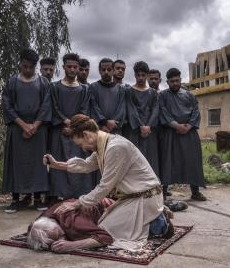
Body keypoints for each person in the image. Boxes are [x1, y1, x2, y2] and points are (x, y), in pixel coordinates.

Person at [43, 114, 171, 251]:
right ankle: (152, 220)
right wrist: (57, 165)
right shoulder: (104, 144)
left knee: (106, 230)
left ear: (86, 135)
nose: (82, 148)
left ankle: (158, 223)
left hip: (145, 198)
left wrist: (77, 203)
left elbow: (105, 186)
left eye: (80, 144)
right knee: (102, 223)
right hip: (133, 197)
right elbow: (87, 165)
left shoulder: (115, 147)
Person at [2, 48, 51, 213]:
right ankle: (16, 199)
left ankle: (37, 198)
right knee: (17, 162)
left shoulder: (43, 82)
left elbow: (46, 105)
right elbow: (7, 105)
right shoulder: (12, 82)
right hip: (17, 128)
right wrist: (23, 125)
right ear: (20, 64)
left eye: (31, 67)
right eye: (25, 66)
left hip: (38, 129)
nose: (28, 70)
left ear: (35, 66)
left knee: (38, 163)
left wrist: (35, 125)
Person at [49, 53, 97, 201]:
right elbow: (54, 107)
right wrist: (65, 121)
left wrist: (74, 125)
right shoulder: (55, 87)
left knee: (79, 161)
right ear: (63, 67)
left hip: (78, 132)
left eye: (75, 67)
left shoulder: (84, 89)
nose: (72, 69)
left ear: (78, 68)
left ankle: (80, 195)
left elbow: (84, 109)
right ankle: (58, 195)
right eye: (69, 66)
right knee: (60, 162)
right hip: (60, 131)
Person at [159, 68, 206, 201]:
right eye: (172, 81)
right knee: (168, 162)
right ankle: (163, 192)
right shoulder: (162, 96)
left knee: (193, 161)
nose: (175, 83)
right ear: (167, 82)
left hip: (189, 133)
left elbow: (196, 112)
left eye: (177, 80)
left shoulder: (190, 95)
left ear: (180, 80)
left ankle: (195, 192)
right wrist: (176, 126)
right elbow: (163, 113)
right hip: (171, 133)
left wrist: (189, 126)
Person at [27, 198, 115, 252]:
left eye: (60, 235)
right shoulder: (39, 222)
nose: (61, 240)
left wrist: (73, 245)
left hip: (110, 208)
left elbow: (107, 238)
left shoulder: (75, 223)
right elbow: (32, 231)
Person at [123, 61, 159, 176]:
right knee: (134, 159)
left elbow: (155, 110)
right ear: (134, 75)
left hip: (150, 132)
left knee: (151, 160)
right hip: (134, 131)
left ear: (147, 76)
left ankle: (151, 189)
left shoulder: (153, 93)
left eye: (143, 75)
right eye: (138, 75)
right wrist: (140, 126)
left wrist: (148, 126)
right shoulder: (129, 91)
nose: (140, 78)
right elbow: (130, 109)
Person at [88, 58, 126, 135]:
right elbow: (93, 108)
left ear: (113, 70)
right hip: (98, 129)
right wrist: (103, 123)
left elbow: (121, 109)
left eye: (109, 69)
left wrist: (112, 124)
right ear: (99, 71)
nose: (106, 72)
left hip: (115, 129)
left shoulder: (120, 89)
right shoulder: (93, 87)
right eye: (103, 69)